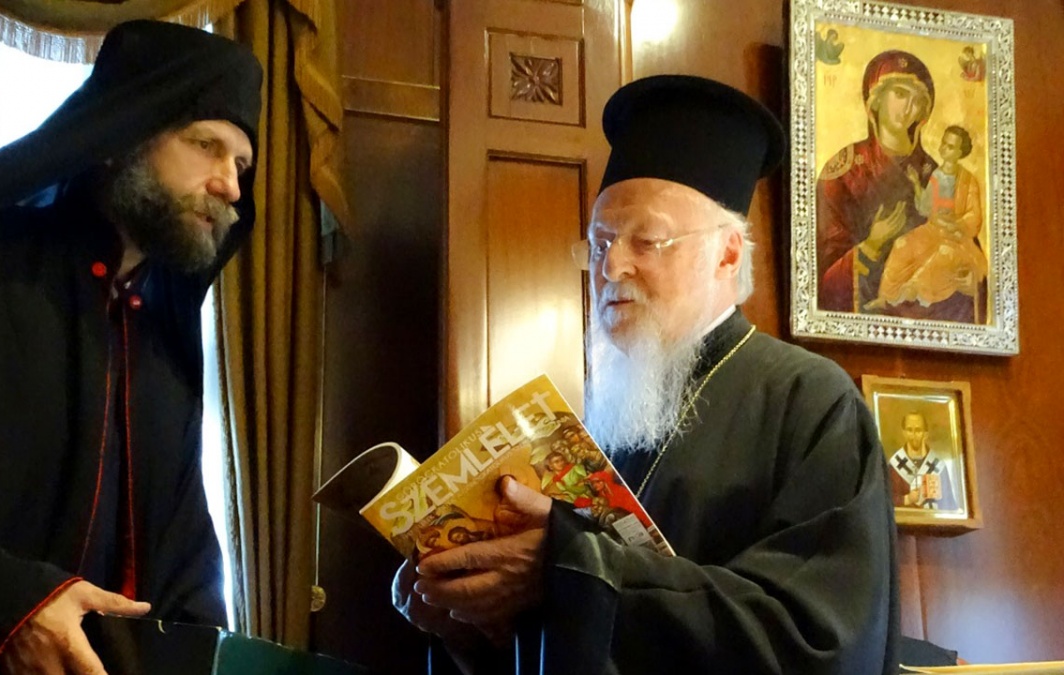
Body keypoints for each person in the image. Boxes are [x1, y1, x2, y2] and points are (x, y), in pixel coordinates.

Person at [393, 75, 900, 674]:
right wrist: (472, 620)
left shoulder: (811, 402)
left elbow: (816, 640)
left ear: (727, 254)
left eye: (646, 241)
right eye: (599, 243)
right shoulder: (605, 421)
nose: (611, 266)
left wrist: (575, 568)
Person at [0, 21, 263, 674]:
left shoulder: (162, 343)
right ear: (124, 133)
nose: (231, 187)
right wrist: (5, 605)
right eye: (206, 145)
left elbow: (185, 560)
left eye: (241, 165)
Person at [817, 50, 957, 319]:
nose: (908, 108)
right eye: (900, 94)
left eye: (917, 101)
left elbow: (957, 245)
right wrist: (871, 246)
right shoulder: (843, 170)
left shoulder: (935, 174)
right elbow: (822, 274)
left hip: (924, 309)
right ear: (876, 99)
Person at [869, 126, 987, 320]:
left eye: (951, 147)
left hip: (956, 238)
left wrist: (955, 223)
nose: (944, 149)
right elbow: (925, 208)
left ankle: (909, 292)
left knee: (942, 254)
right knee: (901, 244)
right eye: (944, 144)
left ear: (960, 152)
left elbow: (974, 216)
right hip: (932, 230)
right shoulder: (937, 176)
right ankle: (886, 296)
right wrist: (917, 184)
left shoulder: (968, 181)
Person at [888, 413, 958, 511]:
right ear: (904, 433)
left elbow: (949, 504)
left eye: (918, 430)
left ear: (925, 434)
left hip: (933, 519)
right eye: (909, 430)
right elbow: (885, 501)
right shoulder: (895, 465)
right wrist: (907, 499)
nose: (913, 435)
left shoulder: (938, 466)